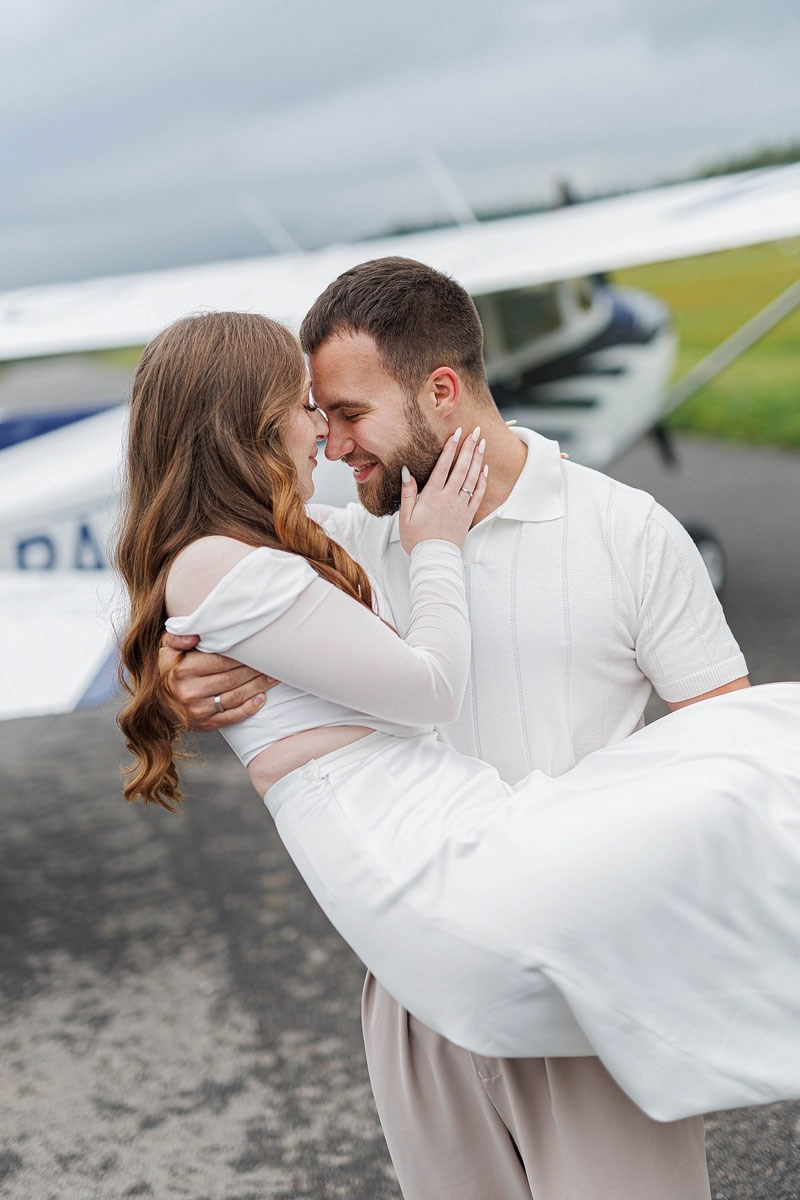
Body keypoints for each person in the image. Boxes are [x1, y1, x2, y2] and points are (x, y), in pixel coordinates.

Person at [150, 266, 793, 1200]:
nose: (330, 447)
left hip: (588, 981)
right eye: (316, 417)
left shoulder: (629, 533)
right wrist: (177, 677)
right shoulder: (340, 547)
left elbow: (732, 751)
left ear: (440, 390)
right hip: (416, 991)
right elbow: (219, 599)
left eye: (349, 414)